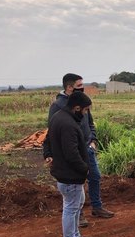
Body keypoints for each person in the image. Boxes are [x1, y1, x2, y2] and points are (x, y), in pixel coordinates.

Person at [45, 74, 115, 227]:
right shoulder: (58, 106)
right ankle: (79, 214)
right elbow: (51, 132)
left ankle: (97, 207)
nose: (82, 88)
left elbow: (90, 122)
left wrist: (93, 139)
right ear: (69, 87)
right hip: (72, 151)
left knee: (94, 177)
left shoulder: (81, 101)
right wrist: (49, 153)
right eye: (79, 85)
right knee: (77, 182)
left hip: (87, 148)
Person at [44, 92, 94, 237]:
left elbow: (48, 141)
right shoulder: (68, 125)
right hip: (70, 175)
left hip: (66, 174)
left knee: (77, 203)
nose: (85, 113)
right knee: (71, 208)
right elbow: (71, 153)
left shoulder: (58, 117)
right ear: (77, 108)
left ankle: (75, 236)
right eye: (85, 110)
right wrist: (85, 168)